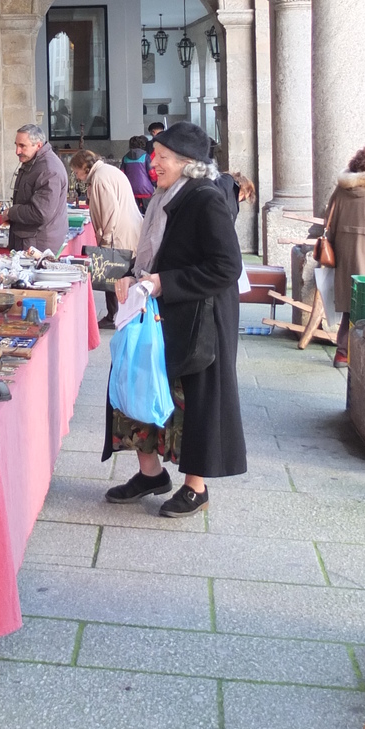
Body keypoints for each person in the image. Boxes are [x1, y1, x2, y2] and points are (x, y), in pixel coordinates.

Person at [103, 120, 246, 517]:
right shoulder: (164, 196)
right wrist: (133, 275)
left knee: (193, 402)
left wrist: (165, 282)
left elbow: (226, 267)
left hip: (199, 319)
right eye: (155, 154)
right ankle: (150, 473)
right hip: (158, 314)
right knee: (135, 383)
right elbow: (153, 253)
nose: (153, 163)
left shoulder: (205, 199)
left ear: (187, 163)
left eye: (162, 157)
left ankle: (195, 487)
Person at [323, 142, 365, 369]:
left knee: (351, 307)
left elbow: (328, 224)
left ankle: (343, 352)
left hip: (346, 260)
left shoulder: (342, 190)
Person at [70, 149, 143, 327]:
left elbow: (110, 212)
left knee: (113, 273)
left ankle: (114, 316)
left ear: (84, 167)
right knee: (123, 272)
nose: (76, 176)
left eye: (76, 171)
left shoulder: (100, 178)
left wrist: (105, 239)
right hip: (129, 228)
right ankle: (120, 314)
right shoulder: (108, 171)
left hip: (119, 232)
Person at [7, 123, 69, 252]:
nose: (17, 151)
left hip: (38, 244)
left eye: (22, 146)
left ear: (38, 145)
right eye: (16, 145)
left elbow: (40, 213)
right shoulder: (34, 161)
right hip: (30, 239)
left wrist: (11, 213)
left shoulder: (48, 170)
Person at [121, 134, 156, 210]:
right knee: (149, 212)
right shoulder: (146, 156)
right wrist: (155, 183)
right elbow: (152, 172)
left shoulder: (125, 157)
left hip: (131, 190)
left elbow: (122, 173)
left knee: (134, 213)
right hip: (146, 190)